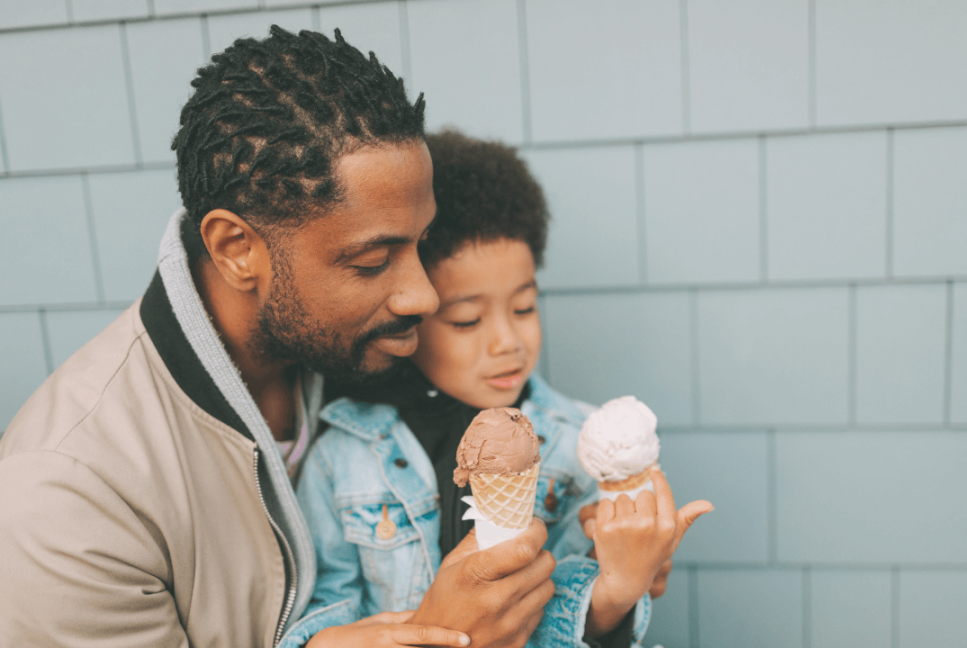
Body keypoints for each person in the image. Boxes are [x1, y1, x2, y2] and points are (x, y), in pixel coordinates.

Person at [0, 27, 553, 648]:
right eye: (373, 260)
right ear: (237, 249)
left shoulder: (376, 349)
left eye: (421, 244)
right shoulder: (69, 495)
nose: (424, 296)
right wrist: (442, 636)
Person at [289, 131, 713, 648]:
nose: (508, 342)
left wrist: (621, 587)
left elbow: (582, 617)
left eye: (524, 308)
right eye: (467, 320)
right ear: (410, 315)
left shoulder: (576, 443)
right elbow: (324, 610)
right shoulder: (344, 456)